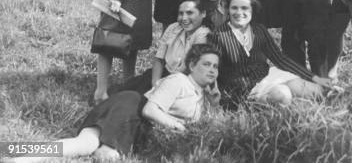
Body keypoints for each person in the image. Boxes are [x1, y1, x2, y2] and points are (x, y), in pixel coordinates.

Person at [20, 45, 220, 162]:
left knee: (110, 157)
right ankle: (19, 154)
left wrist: (214, 103)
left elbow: (205, 128)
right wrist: (176, 125)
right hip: (129, 108)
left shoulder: (201, 95)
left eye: (215, 66)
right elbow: (150, 109)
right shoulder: (179, 81)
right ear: (192, 65)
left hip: (135, 126)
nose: (212, 70)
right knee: (85, 143)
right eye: (206, 64)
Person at [209, 0, 330, 108]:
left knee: (318, 91)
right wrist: (214, 96)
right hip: (244, 90)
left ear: (252, 10)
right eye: (234, 8)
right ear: (228, 10)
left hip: (268, 77)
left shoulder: (259, 30)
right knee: (283, 95)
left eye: (244, 8)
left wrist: (316, 78)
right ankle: (289, 105)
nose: (239, 12)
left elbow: (281, 60)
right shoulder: (218, 36)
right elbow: (211, 69)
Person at [114, 0, 210, 95]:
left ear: (203, 13)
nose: (184, 18)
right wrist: (155, 85)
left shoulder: (203, 34)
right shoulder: (173, 28)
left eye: (190, 13)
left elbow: (189, 68)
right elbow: (159, 59)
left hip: (183, 83)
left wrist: (163, 89)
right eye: (181, 13)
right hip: (162, 75)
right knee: (122, 92)